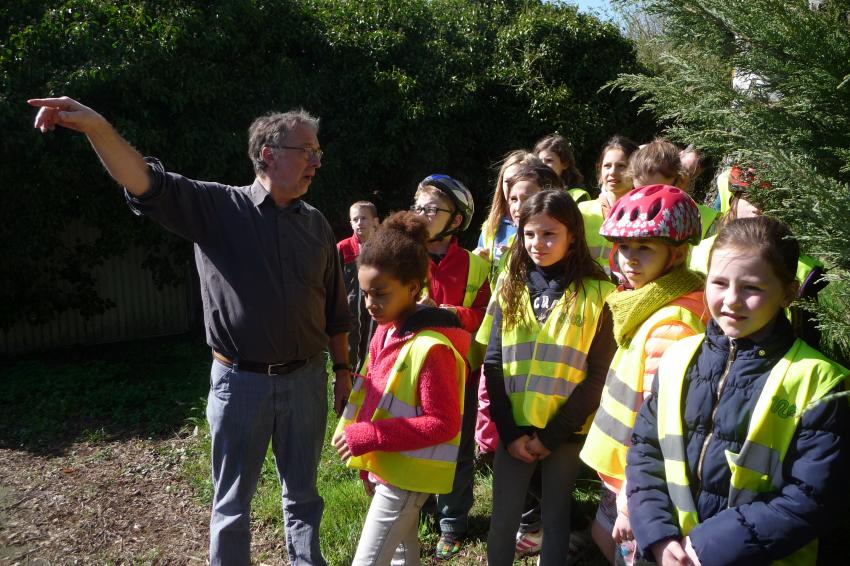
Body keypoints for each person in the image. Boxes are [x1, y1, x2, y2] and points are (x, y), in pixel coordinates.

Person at [28, 96, 351, 566]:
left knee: (302, 496)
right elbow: (146, 183)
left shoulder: (317, 223)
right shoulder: (218, 208)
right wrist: (99, 127)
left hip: (306, 381)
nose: (316, 163)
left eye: (318, 152)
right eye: (307, 151)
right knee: (232, 506)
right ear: (268, 154)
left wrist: (341, 370)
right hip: (240, 385)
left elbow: (336, 308)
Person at [627, 216, 850, 565]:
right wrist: (657, 533)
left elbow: (811, 496)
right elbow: (645, 450)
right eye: (718, 282)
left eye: (752, 288)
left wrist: (705, 549)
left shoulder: (820, 381)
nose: (731, 300)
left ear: (788, 294)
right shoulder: (678, 357)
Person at [479, 190, 617, 566]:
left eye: (549, 234)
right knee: (503, 521)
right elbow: (492, 362)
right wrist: (508, 432)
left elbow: (598, 377)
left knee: (556, 519)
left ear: (573, 234)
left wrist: (550, 436)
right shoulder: (509, 285)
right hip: (514, 432)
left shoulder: (601, 293)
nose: (538, 244)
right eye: (529, 234)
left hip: (564, 434)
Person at [578, 185, 709, 565]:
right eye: (624, 248)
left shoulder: (673, 322)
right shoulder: (652, 300)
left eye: (645, 248)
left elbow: (656, 423)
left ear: (678, 254)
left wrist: (632, 496)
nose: (629, 259)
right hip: (622, 472)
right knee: (602, 538)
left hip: (635, 478)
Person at [333, 212, 469, 566]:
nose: (369, 304)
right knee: (402, 558)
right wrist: (368, 463)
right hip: (389, 467)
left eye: (380, 293)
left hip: (408, 477)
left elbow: (444, 423)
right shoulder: (386, 328)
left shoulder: (432, 348)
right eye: (364, 294)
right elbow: (377, 397)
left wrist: (369, 437)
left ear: (413, 287)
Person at [408, 175, 490, 559]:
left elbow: (485, 316)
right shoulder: (405, 255)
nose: (422, 215)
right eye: (418, 206)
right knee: (414, 440)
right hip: (410, 372)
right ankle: (418, 511)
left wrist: (448, 314)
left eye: (431, 209)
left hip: (460, 375)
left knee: (456, 450)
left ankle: (452, 522)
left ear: (456, 221)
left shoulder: (475, 266)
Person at [689, 166, 828, 348]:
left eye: (768, 200)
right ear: (734, 200)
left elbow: (807, 337)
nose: (758, 208)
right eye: (749, 198)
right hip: (706, 347)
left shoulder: (801, 269)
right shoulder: (699, 252)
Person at [629, 139, 718, 238]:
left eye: (656, 192)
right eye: (639, 192)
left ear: (681, 182)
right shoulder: (625, 216)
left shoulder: (708, 222)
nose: (646, 201)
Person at [475, 150, 542, 280]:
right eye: (507, 181)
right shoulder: (491, 225)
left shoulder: (549, 225)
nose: (513, 186)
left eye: (519, 178)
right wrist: (476, 262)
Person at [338, 201, 381, 371]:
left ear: (376, 222)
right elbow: (331, 280)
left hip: (376, 309)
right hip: (349, 312)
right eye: (355, 219)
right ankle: (343, 394)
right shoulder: (343, 248)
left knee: (371, 350)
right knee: (347, 352)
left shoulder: (384, 248)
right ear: (350, 223)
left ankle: (367, 392)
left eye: (364, 218)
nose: (359, 223)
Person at [533, 133, 591, 203]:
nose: (542, 165)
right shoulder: (533, 191)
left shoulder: (578, 196)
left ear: (565, 164)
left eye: (549, 160)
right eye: (539, 161)